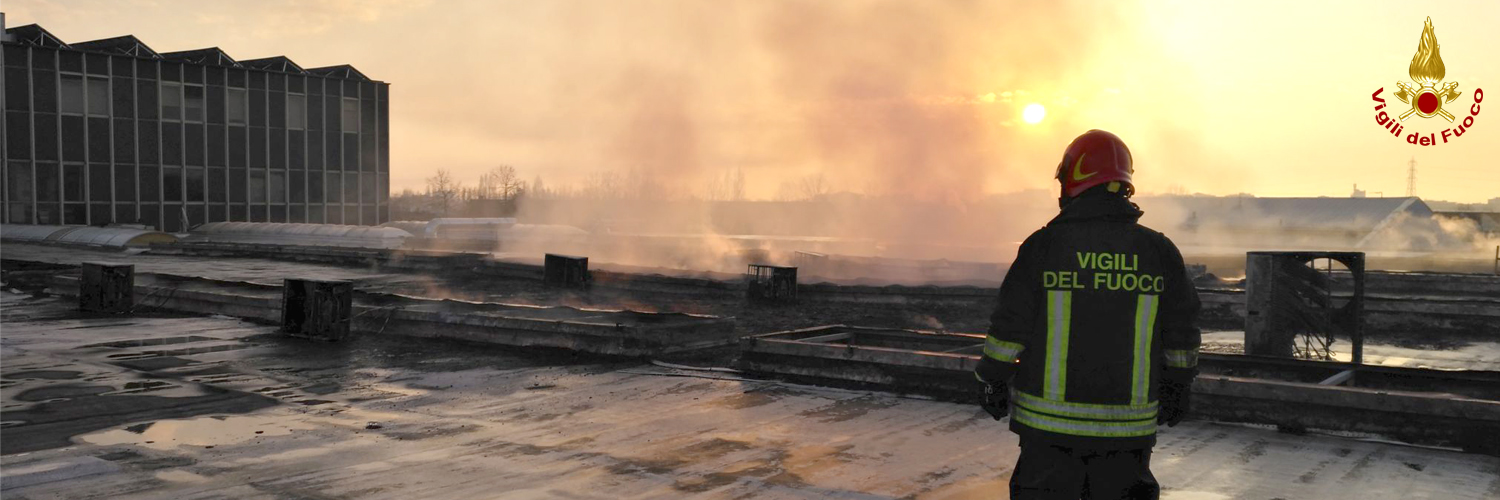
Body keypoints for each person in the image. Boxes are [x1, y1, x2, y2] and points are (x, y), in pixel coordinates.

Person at [974, 129, 1201, 500]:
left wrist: (990, 378)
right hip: (1128, 440)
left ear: (1071, 181)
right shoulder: (1158, 251)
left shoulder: (1043, 247)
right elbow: (1182, 334)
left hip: (1048, 439)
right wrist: (1179, 385)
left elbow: (1008, 330)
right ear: (1124, 185)